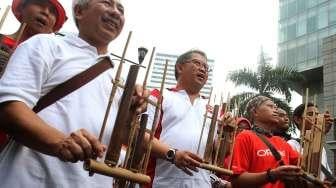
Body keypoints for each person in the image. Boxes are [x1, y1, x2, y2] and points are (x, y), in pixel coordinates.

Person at [0, 0, 149, 187]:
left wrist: (129, 118)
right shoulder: (46, 45)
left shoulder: (121, 79)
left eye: (121, 9)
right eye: (106, 3)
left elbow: (120, 139)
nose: (116, 13)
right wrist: (60, 142)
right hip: (31, 178)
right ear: (79, 11)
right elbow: (10, 108)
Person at [146, 49, 228, 188]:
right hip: (162, 181)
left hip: (202, 184)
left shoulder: (214, 108)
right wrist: (172, 154)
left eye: (206, 68)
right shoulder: (159, 95)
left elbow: (221, 154)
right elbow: (141, 135)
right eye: (197, 63)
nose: (203, 69)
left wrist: (226, 132)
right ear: (180, 67)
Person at [0, 0, 67, 151]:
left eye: (52, 12)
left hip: (18, 144)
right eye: (40, 5)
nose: (46, 12)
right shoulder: (2, 41)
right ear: (21, 9)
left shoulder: (55, 67)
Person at [230, 96, 301, 188]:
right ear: (255, 112)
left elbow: (303, 165)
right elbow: (237, 181)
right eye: (270, 106)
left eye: (275, 107)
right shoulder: (245, 137)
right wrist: (271, 175)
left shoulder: (281, 142)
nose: (275, 110)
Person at [288, 103, 333, 182]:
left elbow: (326, 174)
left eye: (317, 115)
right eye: (310, 114)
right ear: (297, 119)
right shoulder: (291, 145)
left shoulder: (321, 148)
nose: (316, 118)